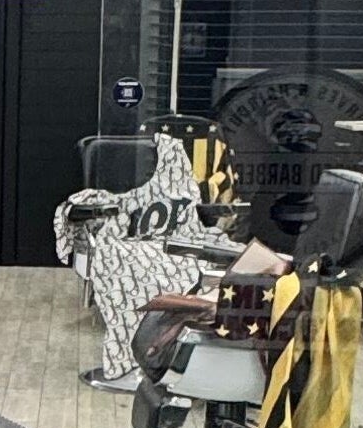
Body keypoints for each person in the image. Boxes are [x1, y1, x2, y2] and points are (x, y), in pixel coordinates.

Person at [53, 132, 237, 390]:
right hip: (129, 243)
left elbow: (189, 215)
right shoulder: (115, 197)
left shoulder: (178, 181)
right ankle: (147, 356)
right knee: (139, 266)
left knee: (208, 269)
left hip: (176, 242)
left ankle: (189, 356)